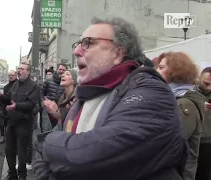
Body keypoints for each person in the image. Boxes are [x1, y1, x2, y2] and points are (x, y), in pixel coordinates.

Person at [32, 16, 187, 180]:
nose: (76, 51)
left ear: (118, 53)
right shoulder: (86, 96)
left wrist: (49, 142)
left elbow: (85, 157)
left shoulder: (152, 92)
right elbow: (41, 153)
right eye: (77, 44)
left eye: (88, 43)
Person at [156, 52, 205, 180]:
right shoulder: (171, 98)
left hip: (179, 173)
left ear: (176, 71)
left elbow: (174, 143)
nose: (156, 71)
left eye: (161, 68)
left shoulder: (184, 103)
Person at [4, 63, 39, 180]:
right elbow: (9, 99)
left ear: (28, 72)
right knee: (9, 150)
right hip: (11, 122)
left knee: (22, 152)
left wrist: (16, 106)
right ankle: (12, 174)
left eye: (22, 69)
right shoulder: (15, 85)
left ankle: (22, 175)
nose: (19, 71)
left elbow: (31, 104)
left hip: (24, 123)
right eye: (18, 68)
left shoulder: (33, 86)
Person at [195, 67, 211, 180]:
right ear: (199, 78)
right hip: (198, 141)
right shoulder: (189, 94)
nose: (209, 87)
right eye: (206, 83)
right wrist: (198, 105)